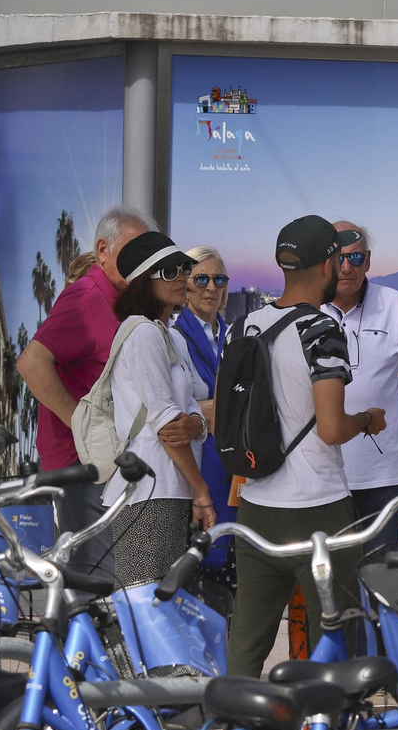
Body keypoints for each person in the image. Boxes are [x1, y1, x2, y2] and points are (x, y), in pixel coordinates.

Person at [226, 215, 388, 679]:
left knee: (247, 639)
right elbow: (332, 429)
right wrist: (368, 420)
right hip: (319, 511)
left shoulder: (242, 328)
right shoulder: (322, 331)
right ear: (330, 265)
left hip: (256, 508)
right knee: (334, 639)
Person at [17, 206, 198, 571]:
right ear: (103, 250)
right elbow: (31, 364)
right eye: (135, 249)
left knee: (120, 585)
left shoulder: (127, 308)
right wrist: (84, 426)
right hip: (84, 466)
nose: (143, 260)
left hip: (113, 468)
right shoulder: (86, 298)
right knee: (101, 584)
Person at [101, 233, 217, 584]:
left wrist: (195, 423)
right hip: (148, 493)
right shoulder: (144, 335)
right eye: (168, 273)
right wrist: (201, 491)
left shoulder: (169, 335)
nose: (181, 278)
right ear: (141, 284)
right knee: (145, 611)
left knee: (159, 610)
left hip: (165, 491)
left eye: (181, 269)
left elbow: (194, 406)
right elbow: (168, 422)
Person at [322, 221, 398, 553]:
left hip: (382, 475)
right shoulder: (309, 309)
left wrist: (387, 426)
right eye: (338, 258)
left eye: (355, 258)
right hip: (322, 472)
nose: (346, 267)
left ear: (368, 261)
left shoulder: (393, 304)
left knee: (381, 577)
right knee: (328, 581)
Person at [172, 246, 237, 583]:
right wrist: (208, 411)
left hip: (232, 480)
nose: (211, 287)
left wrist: (211, 410)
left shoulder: (236, 339)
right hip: (190, 480)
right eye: (201, 278)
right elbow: (174, 417)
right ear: (186, 284)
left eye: (219, 279)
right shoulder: (171, 338)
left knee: (226, 593)